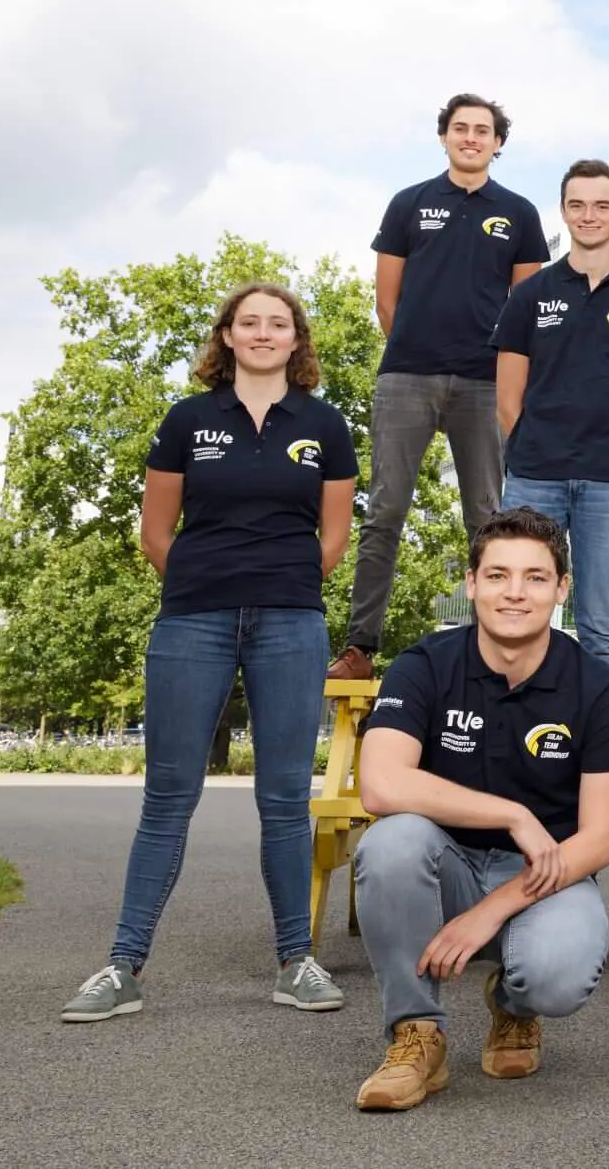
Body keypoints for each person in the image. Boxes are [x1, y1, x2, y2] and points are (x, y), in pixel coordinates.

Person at [62, 283, 360, 1025]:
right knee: (168, 796)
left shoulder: (325, 425)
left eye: (277, 323)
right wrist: (204, 581)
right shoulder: (187, 420)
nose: (262, 333)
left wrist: (285, 582)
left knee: (284, 799)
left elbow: (333, 536)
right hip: (193, 619)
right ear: (227, 336)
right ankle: (122, 966)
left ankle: (296, 961)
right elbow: (155, 530)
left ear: (296, 339)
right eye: (248, 322)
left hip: (291, 620)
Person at [349, 508, 609, 1110]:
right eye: (499, 575)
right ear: (472, 582)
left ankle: (513, 1004)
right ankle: (416, 1035)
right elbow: (379, 784)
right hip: (443, 862)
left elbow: (603, 838)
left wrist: (492, 909)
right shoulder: (424, 665)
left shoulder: (600, 688)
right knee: (390, 842)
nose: (515, 593)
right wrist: (513, 814)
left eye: (536, 577)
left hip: (544, 874)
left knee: (557, 976)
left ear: (562, 588)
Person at [337, 94, 547, 681]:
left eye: (483, 130)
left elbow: (526, 310)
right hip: (407, 375)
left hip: (484, 383)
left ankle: (494, 645)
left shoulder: (519, 213)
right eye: (461, 128)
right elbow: (387, 302)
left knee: (487, 518)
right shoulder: (409, 203)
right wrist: (419, 348)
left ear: (498, 143)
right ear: (444, 137)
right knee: (385, 512)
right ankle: (360, 647)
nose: (471, 137)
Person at [492, 159, 609, 676]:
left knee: (601, 627)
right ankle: (515, 723)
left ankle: (606, 729)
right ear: (563, 212)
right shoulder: (529, 295)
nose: (589, 215)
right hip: (534, 479)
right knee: (518, 617)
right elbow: (508, 399)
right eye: (577, 205)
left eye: (601, 205)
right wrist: (538, 446)